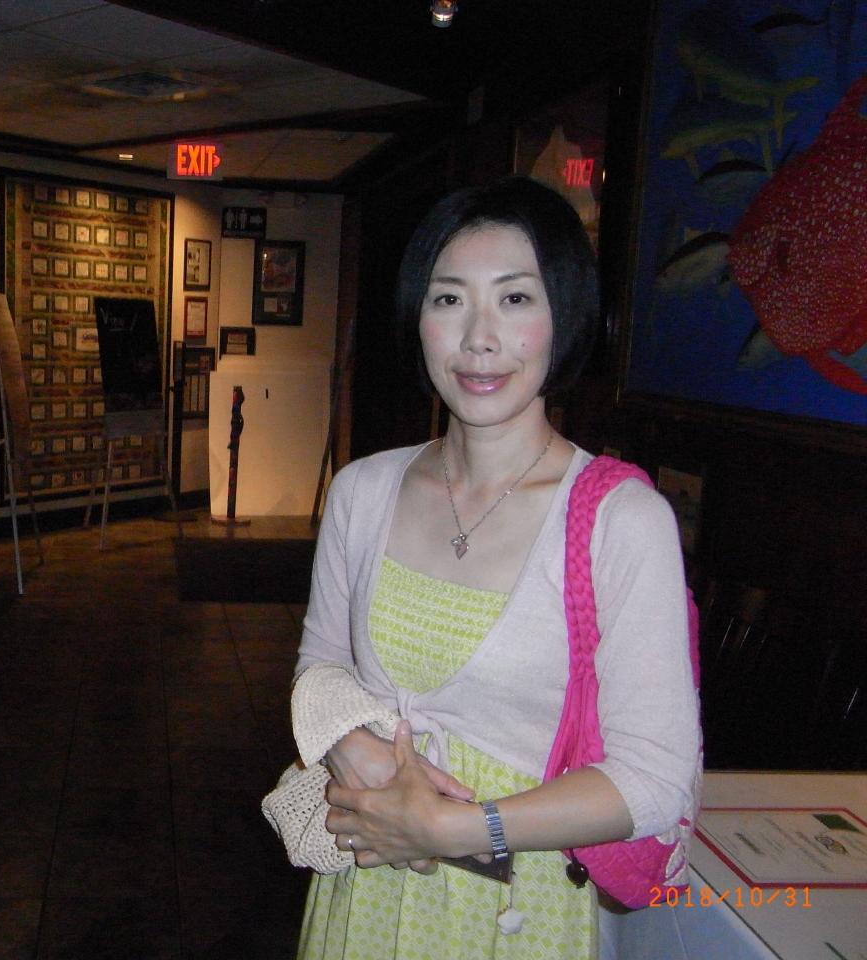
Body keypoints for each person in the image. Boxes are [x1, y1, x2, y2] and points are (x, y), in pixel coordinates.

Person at [291, 176, 700, 959]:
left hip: (515, 903)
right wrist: (364, 760)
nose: (479, 338)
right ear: (418, 318)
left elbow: (655, 780)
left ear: (563, 316)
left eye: (515, 299)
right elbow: (321, 664)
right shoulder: (362, 491)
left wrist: (446, 827)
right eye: (449, 299)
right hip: (365, 873)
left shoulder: (621, 521)